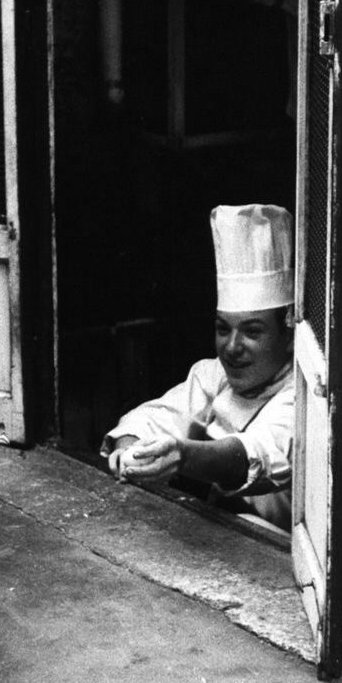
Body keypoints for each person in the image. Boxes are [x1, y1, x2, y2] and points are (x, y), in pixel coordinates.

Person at [100, 204, 295, 531]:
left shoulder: (302, 397)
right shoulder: (214, 375)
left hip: (276, 551)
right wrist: (131, 449)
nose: (231, 348)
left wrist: (183, 456)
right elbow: (154, 416)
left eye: (252, 332)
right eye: (223, 328)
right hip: (223, 533)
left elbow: (252, 455)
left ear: (289, 336)